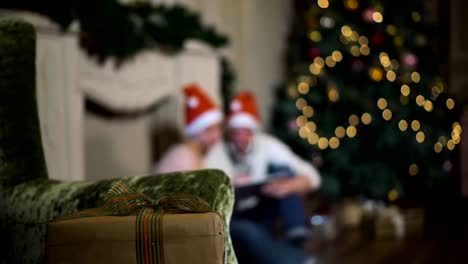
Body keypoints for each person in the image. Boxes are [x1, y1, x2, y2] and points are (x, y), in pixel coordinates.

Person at [204, 91, 321, 264]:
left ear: (253, 131)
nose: (240, 138)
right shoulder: (217, 154)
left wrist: (288, 187)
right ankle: (298, 258)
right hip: (232, 217)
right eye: (235, 132)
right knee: (249, 232)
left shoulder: (267, 144)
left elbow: (312, 176)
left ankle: (297, 234)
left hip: (262, 210)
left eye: (246, 132)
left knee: (285, 172)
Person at [153, 83, 223, 173]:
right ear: (194, 130)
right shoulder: (183, 157)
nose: (216, 136)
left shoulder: (197, 153)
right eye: (208, 129)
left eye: (218, 128)